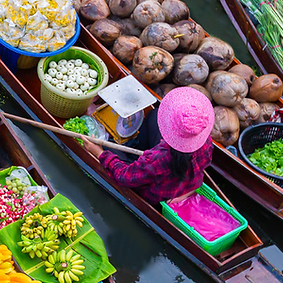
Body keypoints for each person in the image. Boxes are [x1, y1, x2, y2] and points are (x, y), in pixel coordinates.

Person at [82, 86, 215, 204]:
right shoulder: (205, 140)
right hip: (178, 178)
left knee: (107, 147)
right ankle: (136, 146)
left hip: (157, 193)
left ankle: (129, 158)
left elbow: (123, 176)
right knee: (155, 115)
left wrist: (99, 153)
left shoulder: (159, 158)